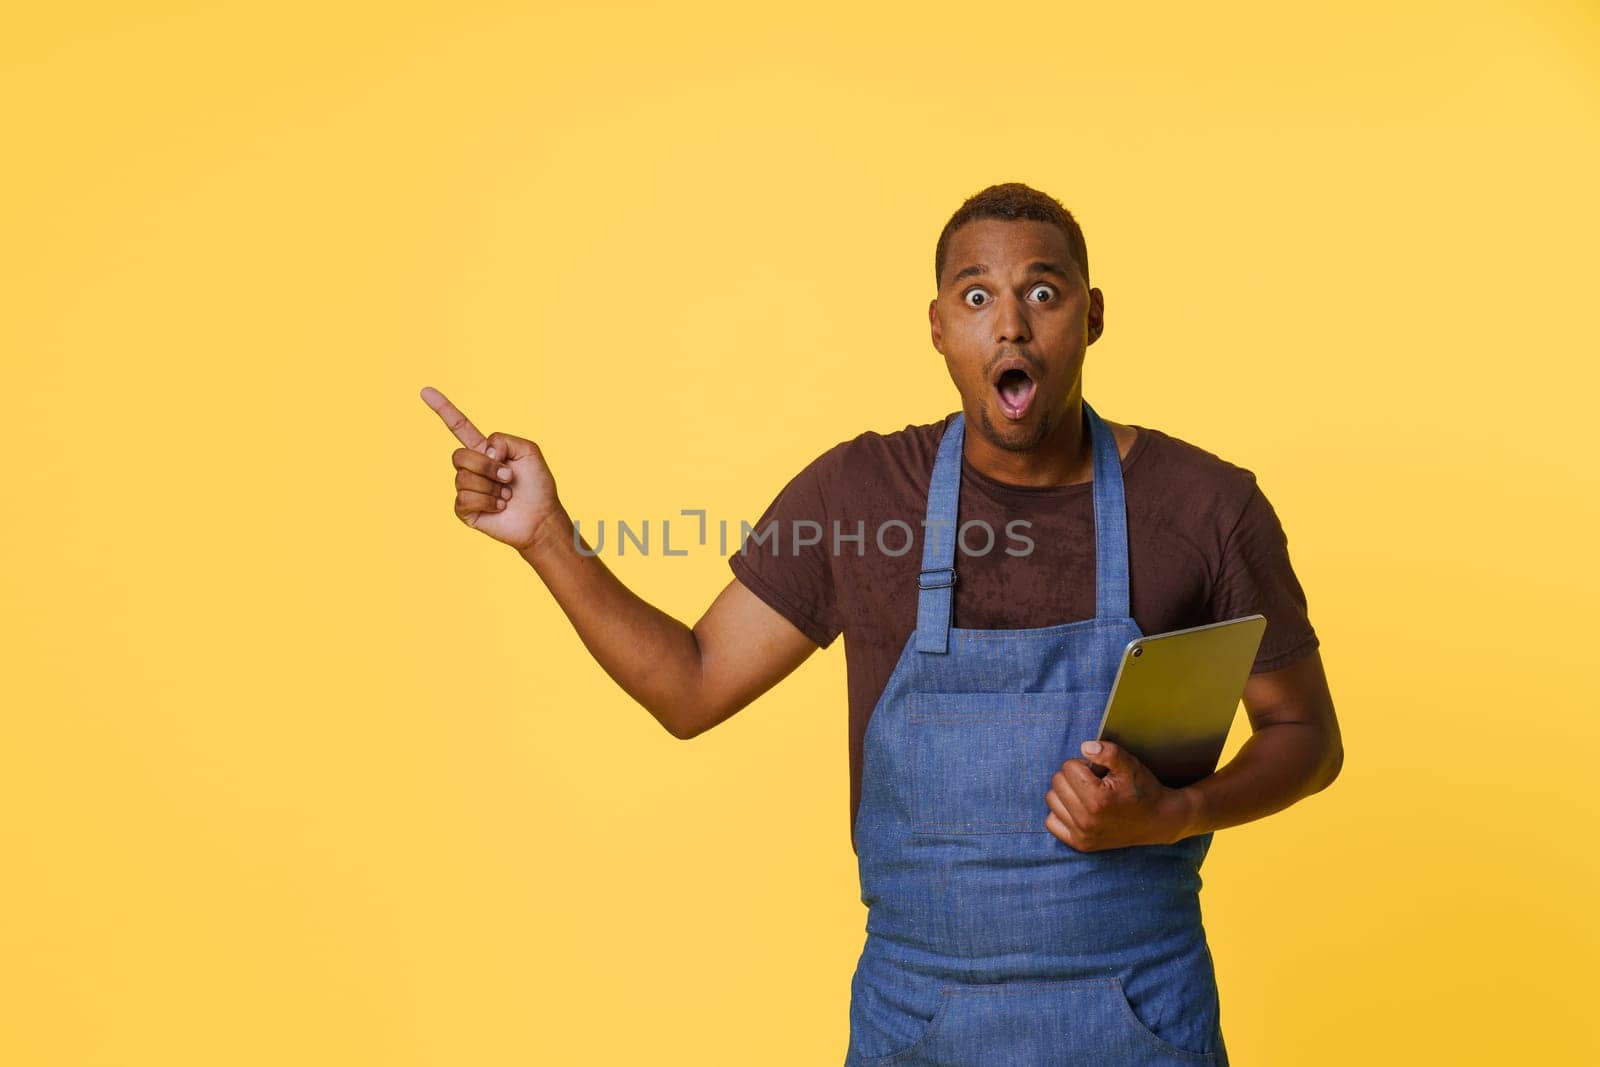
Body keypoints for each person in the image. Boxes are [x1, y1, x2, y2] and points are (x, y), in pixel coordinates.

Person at [420, 182, 1343, 1066]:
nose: (1011, 323)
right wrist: (547, 536)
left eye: (1043, 293)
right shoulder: (859, 496)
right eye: (977, 295)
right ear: (939, 327)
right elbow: (691, 685)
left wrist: (1175, 811)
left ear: (1092, 315)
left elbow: (1306, 736)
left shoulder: (1208, 506)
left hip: (1141, 1022)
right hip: (918, 1029)